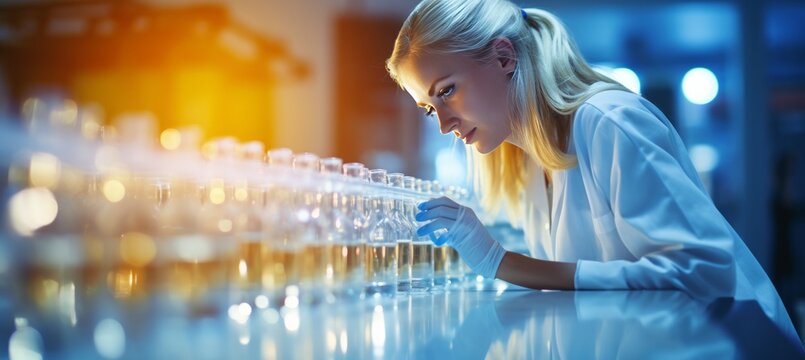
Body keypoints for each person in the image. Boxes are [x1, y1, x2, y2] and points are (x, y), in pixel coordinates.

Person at [385, 0, 800, 344]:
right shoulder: (524, 158)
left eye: (447, 91)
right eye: (428, 107)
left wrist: (501, 262)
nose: (443, 123)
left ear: (503, 57)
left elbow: (701, 270)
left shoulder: (609, 121)